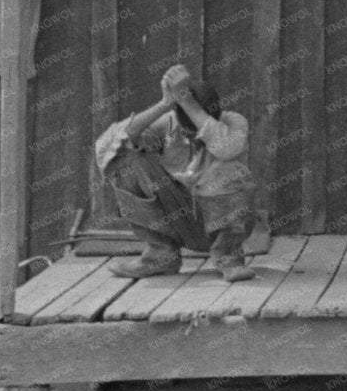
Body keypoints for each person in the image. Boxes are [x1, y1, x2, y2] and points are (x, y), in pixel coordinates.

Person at [98, 64, 258, 282]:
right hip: (179, 219)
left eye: (197, 119)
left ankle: (229, 259)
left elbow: (226, 149)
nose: (193, 131)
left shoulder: (234, 121)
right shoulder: (169, 122)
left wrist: (187, 101)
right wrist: (165, 104)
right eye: (187, 122)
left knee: (230, 169)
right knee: (126, 162)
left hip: (220, 222)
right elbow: (110, 146)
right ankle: (161, 256)